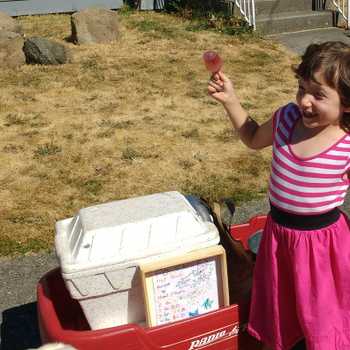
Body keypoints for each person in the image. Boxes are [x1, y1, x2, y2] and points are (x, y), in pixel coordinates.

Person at [207, 41, 350, 350]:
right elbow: (252, 138)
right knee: (281, 308)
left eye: (319, 94)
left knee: (322, 316)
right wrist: (230, 101)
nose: (305, 101)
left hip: (322, 246)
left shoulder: (346, 144)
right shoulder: (286, 119)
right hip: (279, 238)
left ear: (347, 103)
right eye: (302, 89)